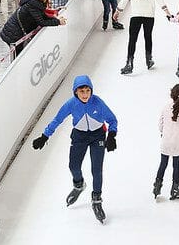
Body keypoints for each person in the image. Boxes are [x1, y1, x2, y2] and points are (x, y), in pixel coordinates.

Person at [31, 75, 117, 224]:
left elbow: (112, 120)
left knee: (96, 170)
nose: (85, 94)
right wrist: (45, 136)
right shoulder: (71, 104)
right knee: (73, 166)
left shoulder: (98, 103)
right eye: (81, 91)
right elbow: (57, 119)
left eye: (87, 91)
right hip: (79, 137)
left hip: (98, 136)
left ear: (91, 91)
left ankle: (97, 199)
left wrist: (111, 135)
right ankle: (78, 185)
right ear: (75, 92)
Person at [114, 0, 172, 75]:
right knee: (148, 37)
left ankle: (129, 63)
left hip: (136, 16)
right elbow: (161, 1)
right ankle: (149, 59)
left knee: (132, 39)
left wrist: (118, 11)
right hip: (149, 17)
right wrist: (168, 13)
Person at [0, 0, 66, 56]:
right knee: (19, 55)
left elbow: (42, 16)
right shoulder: (33, 5)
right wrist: (58, 22)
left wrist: (55, 19)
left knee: (20, 52)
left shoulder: (35, 1)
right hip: (13, 33)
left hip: (16, 30)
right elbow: (42, 22)